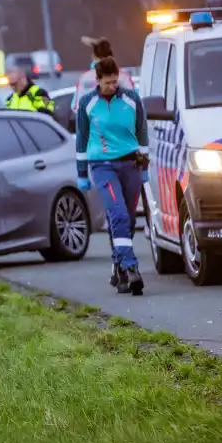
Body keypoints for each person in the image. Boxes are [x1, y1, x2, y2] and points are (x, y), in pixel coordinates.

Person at [75, 57, 149, 296]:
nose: (112, 87)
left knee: (126, 219)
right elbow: (81, 139)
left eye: (115, 82)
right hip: (102, 165)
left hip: (130, 164)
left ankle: (118, 270)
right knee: (117, 214)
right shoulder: (88, 103)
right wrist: (82, 173)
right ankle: (131, 267)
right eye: (107, 83)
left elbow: (142, 133)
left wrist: (145, 167)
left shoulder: (132, 99)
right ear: (97, 81)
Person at [73, 37, 135, 116]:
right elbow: (133, 104)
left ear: (94, 56)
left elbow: (77, 107)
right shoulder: (123, 77)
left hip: (92, 124)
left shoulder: (84, 78)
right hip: (118, 123)